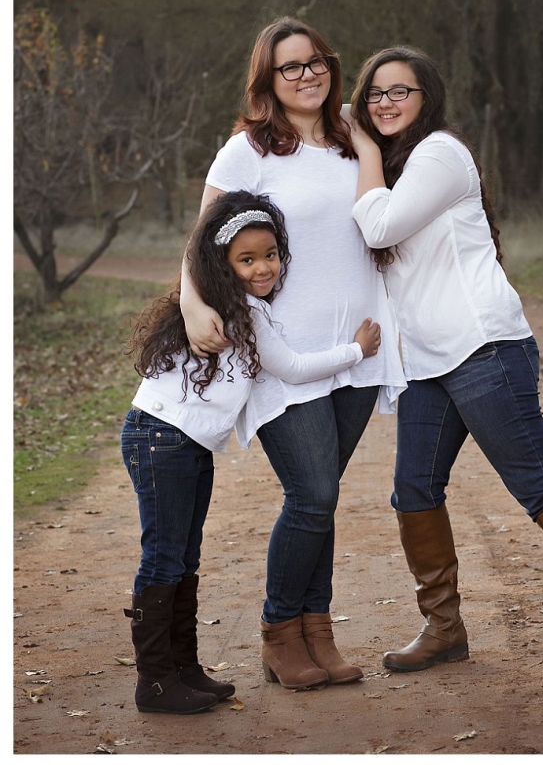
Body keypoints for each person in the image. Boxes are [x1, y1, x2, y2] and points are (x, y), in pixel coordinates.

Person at [348, 45, 543, 679]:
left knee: (539, 485)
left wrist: (360, 147)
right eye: (375, 93)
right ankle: (443, 629)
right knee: (414, 490)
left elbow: (378, 228)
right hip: (428, 363)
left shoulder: (439, 153)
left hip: (483, 349)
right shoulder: (398, 165)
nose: (385, 102)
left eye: (400, 90)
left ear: (426, 98)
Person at [179, 17, 405, 690]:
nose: (307, 74)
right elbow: (200, 242)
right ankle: (281, 633)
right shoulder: (248, 150)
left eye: (316, 61)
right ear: (268, 79)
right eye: (290, 66)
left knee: (323, 498)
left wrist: (364, 133)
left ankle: (318, 633)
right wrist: (193, 306)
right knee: (313, 492)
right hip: (285, 352)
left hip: (358, 350)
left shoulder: (353, 140)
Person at [122, 190, 382, 711]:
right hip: (161, 438)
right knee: (164, 558)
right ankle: (155, 682)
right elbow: (293, 368)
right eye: (247, 259)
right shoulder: (236, 311)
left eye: (270, 254)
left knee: (185, 556)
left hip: (185, 444)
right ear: (222, 266)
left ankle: (185, 669)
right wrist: (357, 350)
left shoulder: (236, 308)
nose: (263, 267)